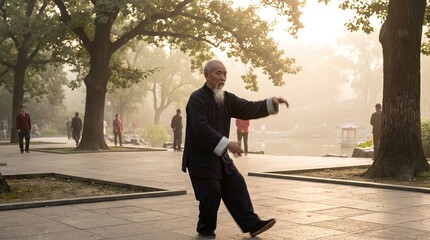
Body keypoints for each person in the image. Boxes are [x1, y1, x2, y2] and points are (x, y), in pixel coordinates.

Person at [182, 60, 289, 238]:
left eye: (225, 74)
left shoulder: (227, 98)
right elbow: (201, 128)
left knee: (236, 184)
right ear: (206, 76)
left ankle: (252, 224)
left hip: (220, 158)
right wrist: (227, 143)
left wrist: (271, 103)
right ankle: (205, 229)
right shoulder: (197, 98)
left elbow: (249, 108)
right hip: (199, 159)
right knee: (212, 193)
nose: (222, 77)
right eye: (218, 73)